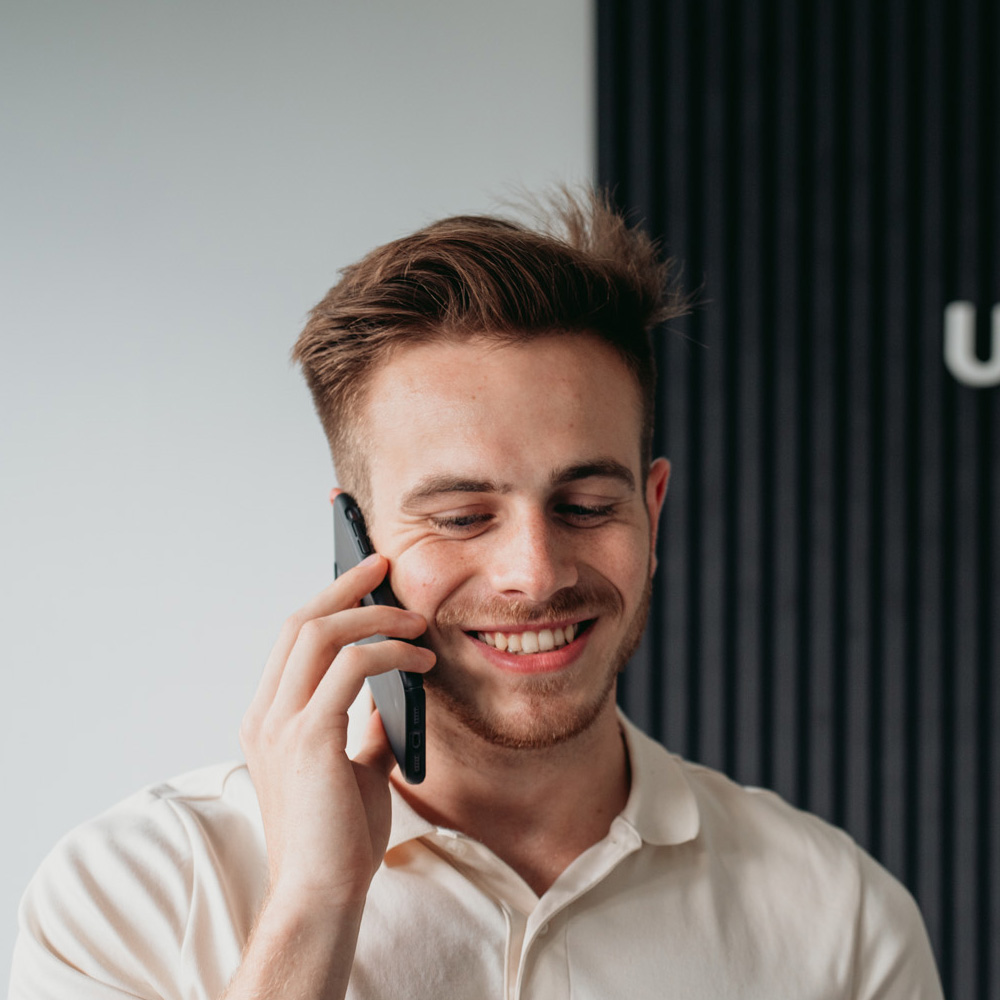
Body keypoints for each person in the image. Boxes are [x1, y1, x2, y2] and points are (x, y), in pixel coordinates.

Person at [10, 191, 943, 999]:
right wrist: (310, 907)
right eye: (460, 518)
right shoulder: (128, 890)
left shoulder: (840, 917)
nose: (534, 573)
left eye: (584, 504)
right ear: (356, 539)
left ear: (653, 512)